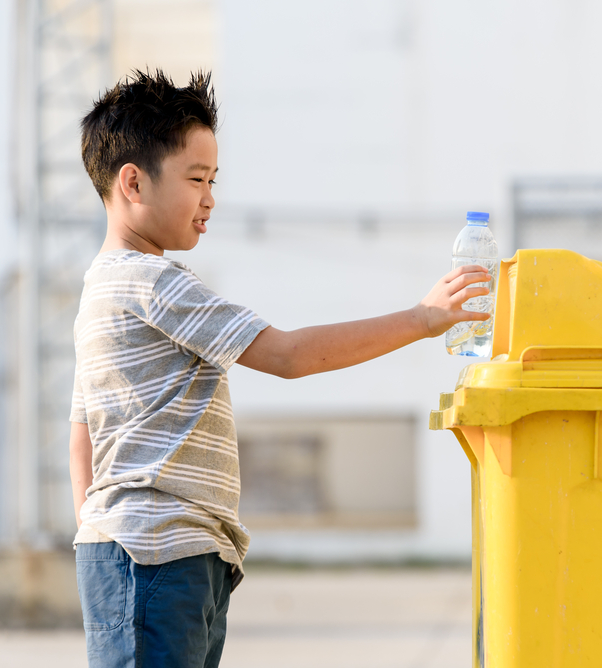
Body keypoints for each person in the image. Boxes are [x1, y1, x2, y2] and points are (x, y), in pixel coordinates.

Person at [69, 69, 491, 668]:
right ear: (133, 182)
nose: (210, 198)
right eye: (196, 179)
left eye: (213, 179)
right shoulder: (153, 283)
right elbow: (287, 356)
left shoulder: (100, 288)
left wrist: (96, 532)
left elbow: (81, 429)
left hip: (163, 552)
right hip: (156, 553)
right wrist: (423, 318)